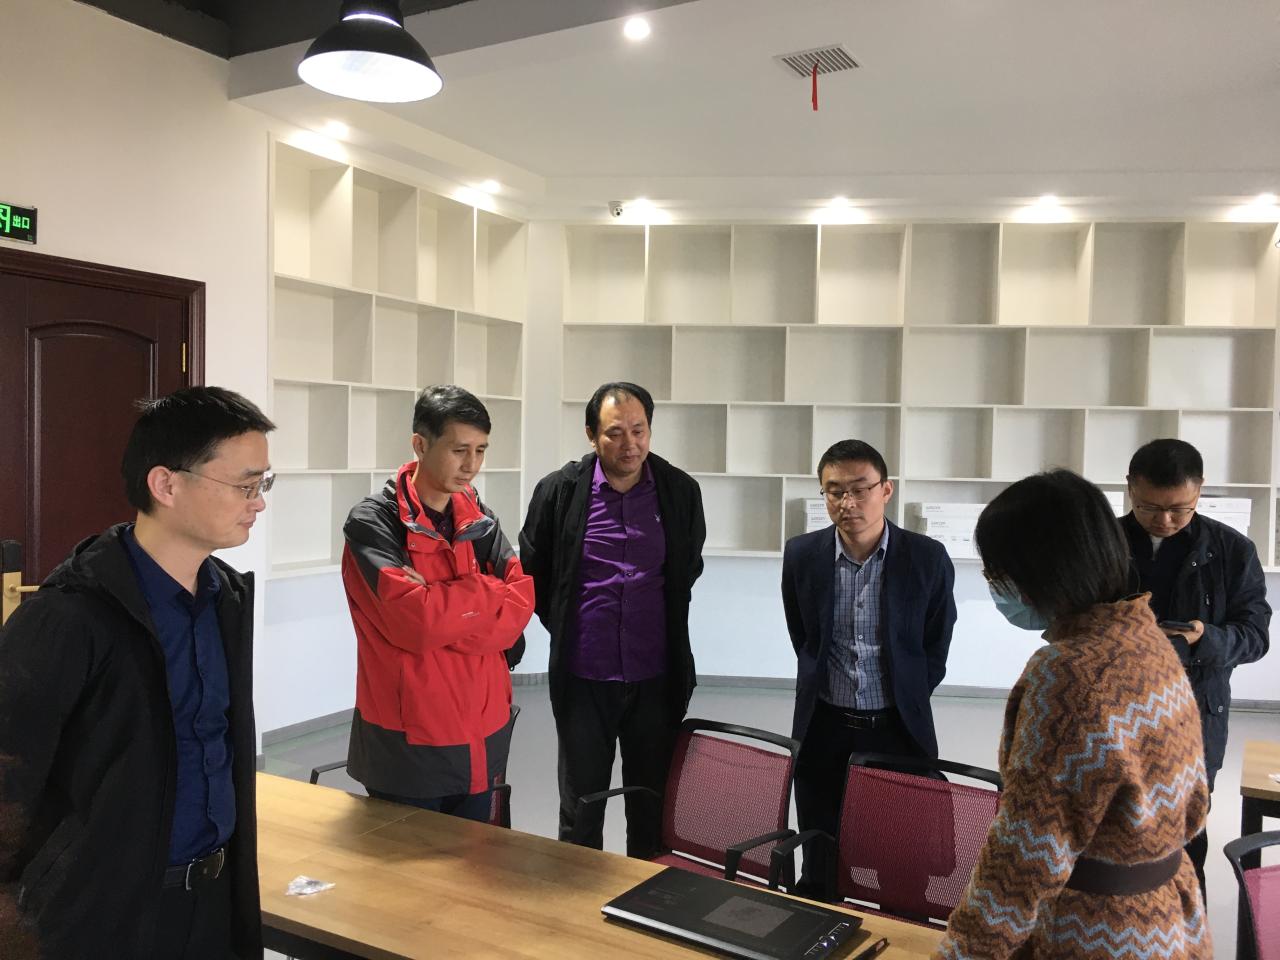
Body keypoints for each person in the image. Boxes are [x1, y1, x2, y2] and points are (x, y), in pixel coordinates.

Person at [0, 386, 273, 960]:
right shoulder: (68, 616)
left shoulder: (226, 599)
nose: (258, 504)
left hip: (213, 900)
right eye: (245, 486)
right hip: (104, 919)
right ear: (166, 485)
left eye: (263, 485)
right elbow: (9, 779)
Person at [935, 470, 1210, 959]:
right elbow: (1193, 804)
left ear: (1040, 572)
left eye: (998, 572)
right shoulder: (1148, 639)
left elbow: (1025, 858)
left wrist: (963, 951)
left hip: (1094, 931)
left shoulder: (1069, 676)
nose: (996, 585)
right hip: (1169, 916)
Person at [520, 381, 705, 857]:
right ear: (591, 434)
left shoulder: (679, 491)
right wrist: (573, 626)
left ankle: (647, 895)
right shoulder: (559, 491)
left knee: (651, 807)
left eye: (639, 430)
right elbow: (534, 570)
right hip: (584, 675)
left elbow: (687, 567)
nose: (630, 444)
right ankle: (580, 895)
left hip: (655, 675)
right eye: (615, 433)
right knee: (581, 807)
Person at [342, 385, 533, 820]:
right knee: (405, 864)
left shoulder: (478, 518)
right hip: (409, 748)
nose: (471, 465)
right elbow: (417, 624)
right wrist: (487, 591)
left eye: (481, 451)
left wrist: (440, 601)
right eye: (459, 450)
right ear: (421, 445)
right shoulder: (373, 523)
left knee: (475, 860)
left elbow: (520, 604)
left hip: (483, 735)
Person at [781, 439, 956, 898]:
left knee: (904, 860)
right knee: (821, 856)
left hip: (897, 729)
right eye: (834, 490)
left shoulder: (926, 557)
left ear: (886, 490)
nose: (848, 502)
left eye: (860, 489)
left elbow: (935, 644)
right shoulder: (801, 554)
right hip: (824, 727)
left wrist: (908, 694)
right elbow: (804, 637)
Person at [1121, 438, 1270, 891]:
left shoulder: (1231, 550)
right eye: (1150, 508)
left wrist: (1206, 639)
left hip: (1195, 716)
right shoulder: (1102, 544)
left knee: (1185, 850)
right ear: (1130, 487)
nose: (1164, 520)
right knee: (1113, 843)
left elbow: (1255, 636)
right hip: (1114, 713)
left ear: (1199, 491)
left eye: (1179, 509)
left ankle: (1185, 926)